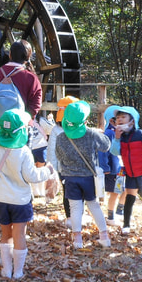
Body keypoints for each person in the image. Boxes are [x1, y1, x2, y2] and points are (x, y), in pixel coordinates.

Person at [0, 109, 54, 279]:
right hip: (20, 200)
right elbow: (32, 176)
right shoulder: (23, 151)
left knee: (5, 234)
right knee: (19, 235)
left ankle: (6, 270)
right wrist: (48, 171)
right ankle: (18, 272)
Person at [54, 101, 111, 249]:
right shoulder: (91, 134)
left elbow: (58, 156)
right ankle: (104, 237)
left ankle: (77, 240)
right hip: (88, 177)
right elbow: (106, 146)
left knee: (75, 208)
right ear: (85, 120)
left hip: (70, 178)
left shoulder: (61, 137)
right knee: (94, 205)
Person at [108, 106, 142, 234]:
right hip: (130, 173)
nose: (120, 120)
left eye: (123, 117)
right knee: (130, 198)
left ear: (132, 120)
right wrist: (117, 138)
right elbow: (114, 151)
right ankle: (126, 225)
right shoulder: (121, 136)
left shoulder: (141, 135)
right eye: (118, 117)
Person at [0, 40, 42, 122]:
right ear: (28, 57)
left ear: (10, 54)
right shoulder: (32, 78)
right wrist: (25, 120)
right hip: (20, 127)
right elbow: (36, 105)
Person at [46, 95, 79, 227]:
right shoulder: (80, 128)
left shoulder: (56, 130)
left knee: (68, 191)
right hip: (78, 167)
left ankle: (70, 217)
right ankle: (76, 216)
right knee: (77, 191)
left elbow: (51, 151)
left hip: (62, 168)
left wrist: (52, 168)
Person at [100, 105, 124, 224]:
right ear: (111, 120)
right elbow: (102, 152)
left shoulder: (121, 132)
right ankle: (111, 216)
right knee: (115, 193)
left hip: (121, 168)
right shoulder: (109, 133)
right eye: (118, 119)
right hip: (113, 169)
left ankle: (120, 212)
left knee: (123, 190)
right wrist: (105, 167)